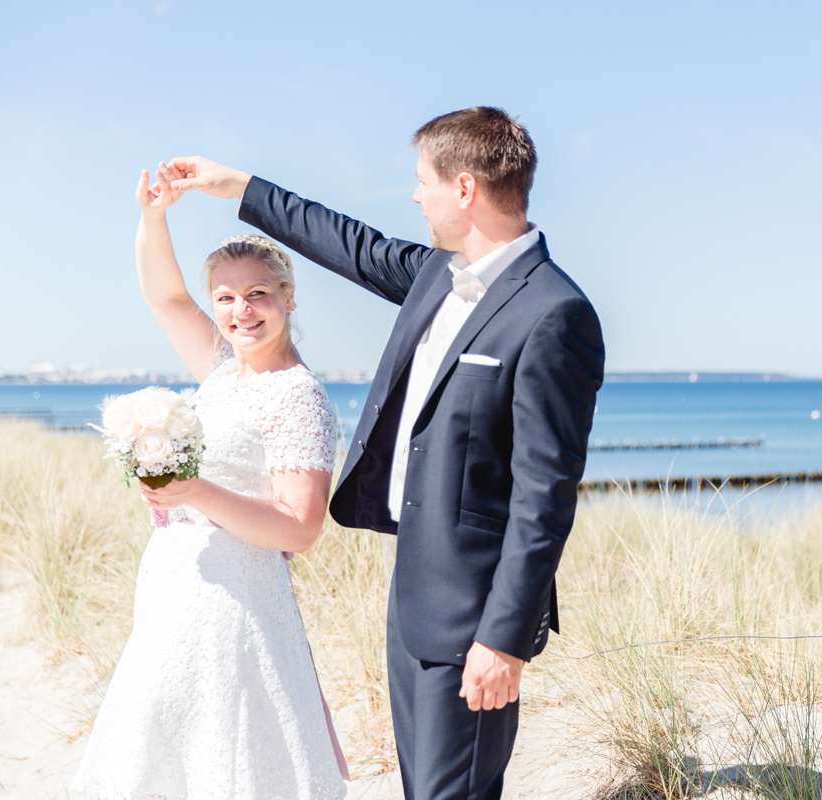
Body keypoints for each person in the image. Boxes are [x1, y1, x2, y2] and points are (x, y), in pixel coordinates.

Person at [167, 106, 605, 800]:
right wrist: (242, 187)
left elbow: (543, 496)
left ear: (463, 188)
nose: (413, 195)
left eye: (421, 180)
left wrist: (505, 638)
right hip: (411, 594)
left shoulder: (553, 313)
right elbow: (352, 243)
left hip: (474, 614)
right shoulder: (437, 275)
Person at [70, 165, 350, 798]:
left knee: (229, 750)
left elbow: (300, 527)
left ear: (287, 297)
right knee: (162, 747)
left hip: (238, 597)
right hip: (174, 582)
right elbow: (166, 298)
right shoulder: (224, 371)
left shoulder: (299, 397)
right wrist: (154, 216)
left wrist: (194, 492)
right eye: (224, 297)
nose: (239, 311)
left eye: (256, 294)